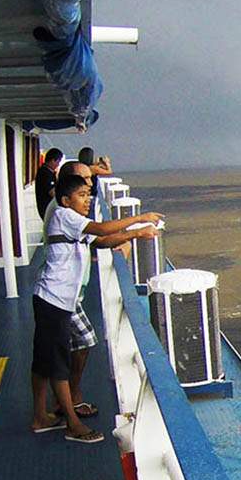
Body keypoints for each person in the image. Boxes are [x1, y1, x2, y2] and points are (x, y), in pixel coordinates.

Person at [31, 171, 161, 443]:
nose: (87, 200)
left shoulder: (73, 220)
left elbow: (101, 241)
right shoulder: (64, 216)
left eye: (88, 195)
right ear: (65, 200)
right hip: (53, 299)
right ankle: (72, 424)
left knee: (64, 350)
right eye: (81, 195)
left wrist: (133, 237)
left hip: (64, 300)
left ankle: (44, 414)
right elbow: (101, 230)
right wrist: (139, 220)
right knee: (55, 363)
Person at [34, 147, 63, 218]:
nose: (58, 165)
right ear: (53, 160)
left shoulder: (47, 171)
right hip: (48, 208)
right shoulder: (45, 173)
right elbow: (52, 192)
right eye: (58, 162)